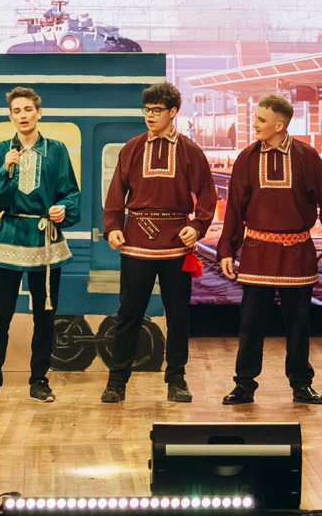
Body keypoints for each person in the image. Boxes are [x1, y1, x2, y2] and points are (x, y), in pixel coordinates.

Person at [216, 94, 322, 405]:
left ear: (279, 125)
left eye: (261, 119)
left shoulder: (306, 156)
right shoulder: (247, 158)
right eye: (255, 117)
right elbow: (234, 208)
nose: (254, 124)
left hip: (296, 253)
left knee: (299, 322)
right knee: (250, 322)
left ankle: (301, 384)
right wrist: (226, 249)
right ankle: (244, 385)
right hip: (257, 251)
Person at [100, 81, 215, 404]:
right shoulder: (133, 147)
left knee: (178, 315)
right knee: (129, 314)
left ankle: (176, 379)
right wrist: (112, 227)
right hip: (136, 239)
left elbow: (207, 195)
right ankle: (117, 381)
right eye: (146, 110)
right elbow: (116, 191)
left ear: (173, 112)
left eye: (157, 110)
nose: (149, 116)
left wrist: (198, 226)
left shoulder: (190, 150)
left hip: (176, 243)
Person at [0, 87, 80, 404]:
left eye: (27, 109)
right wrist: (5, 169)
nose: (22, 115)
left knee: (44, 316)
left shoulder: (56, 150)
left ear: (39, 113)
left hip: (45, 237)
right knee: (0, 316)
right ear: (10, 116)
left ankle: (40, 381)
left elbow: (71, 193)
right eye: (16, 111)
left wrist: (63, 209)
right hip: (10, 234)